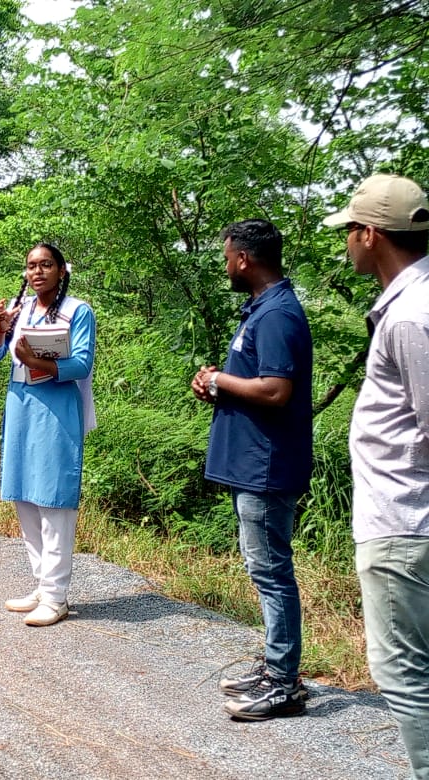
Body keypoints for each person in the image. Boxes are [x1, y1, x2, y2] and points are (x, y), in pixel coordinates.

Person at [323, 173, 429, 778]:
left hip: (405, 521)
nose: (347, 245)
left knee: (404, 674)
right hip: (407, 519)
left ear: (370, 234)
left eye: (350, 233)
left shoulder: (411, 316)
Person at [191, 219, 313, 721]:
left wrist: (221, 377)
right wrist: (216, 384)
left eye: (226, 257)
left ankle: (284, 683)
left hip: (267, 467)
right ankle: (275, 666)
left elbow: (275, 389)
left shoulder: (278, 314)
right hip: (253, 464)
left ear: (244, 258)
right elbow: (253, 381)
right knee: (264, 568)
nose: (225, 265)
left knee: (270, 571)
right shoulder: (262, 310)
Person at [0, 243, 96, 627]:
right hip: (21, 405)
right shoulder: (23, 310)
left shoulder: (77, 311)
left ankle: (56, 595)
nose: (37, 272)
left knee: (53, 499)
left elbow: (81, 363)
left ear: (61, 270)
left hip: (56, 408)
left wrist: (38, 362)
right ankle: (41, 584)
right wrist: (1, 328)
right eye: (31, 266)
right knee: (25, 497)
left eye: (46, 264)